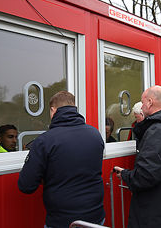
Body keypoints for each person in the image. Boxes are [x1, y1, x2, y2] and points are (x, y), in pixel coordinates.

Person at [18, 91, 105, 228]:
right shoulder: (95, 134)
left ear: (53, 111)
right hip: (96, 217)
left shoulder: (45, 141)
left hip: (63, 221)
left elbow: (26, 185)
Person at [113, 85, 161, 228]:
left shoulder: (157, 131)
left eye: (142, 102)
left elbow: (146, 176)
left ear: (149, 102)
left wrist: (125, 175)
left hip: (156, 214)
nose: (141, 107)